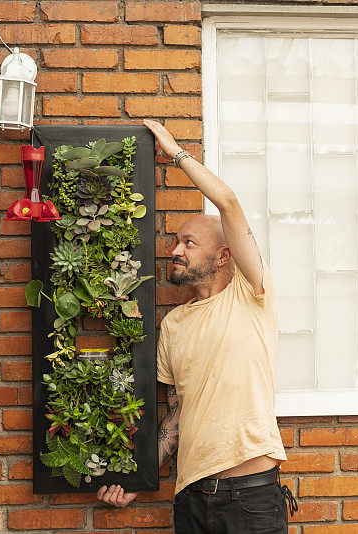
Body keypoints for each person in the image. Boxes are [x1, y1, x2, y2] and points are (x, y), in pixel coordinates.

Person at [97, 119, 297, 533]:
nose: (175, 251)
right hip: (190, 497)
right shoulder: (173, 325)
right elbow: (176, 417)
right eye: (175, 242)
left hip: (251, 498)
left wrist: (175, 152)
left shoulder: (252, 294)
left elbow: (229, 204)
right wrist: (138, 477)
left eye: (189, 243)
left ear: (224, 256)